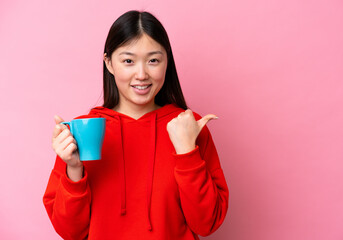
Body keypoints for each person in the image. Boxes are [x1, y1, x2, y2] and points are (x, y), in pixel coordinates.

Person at [43, 10, 229, 240]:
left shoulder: (187, 126)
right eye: (128, 61)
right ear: (109, 63)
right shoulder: (83, 131)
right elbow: (70, 232)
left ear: (166, 62)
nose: (141, 74)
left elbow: (207, 223)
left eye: (153, 60)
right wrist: (73, 168)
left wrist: (187, 153)